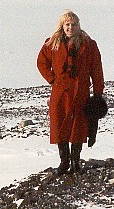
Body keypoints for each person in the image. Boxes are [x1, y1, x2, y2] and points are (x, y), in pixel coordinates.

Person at [37, 10, 104, 175]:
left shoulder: (89, 44)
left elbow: (96, 70)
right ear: (62, 25)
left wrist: (97, 93)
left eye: (73, 24)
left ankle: (75, 161)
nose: (70, 27)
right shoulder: (51, 43)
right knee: (60, 126)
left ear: (78, 25)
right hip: (60, 93)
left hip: (80, 92)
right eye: (67, 24)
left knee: (78, 128)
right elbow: (41, 63)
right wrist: (53, 80)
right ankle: (64, 161)